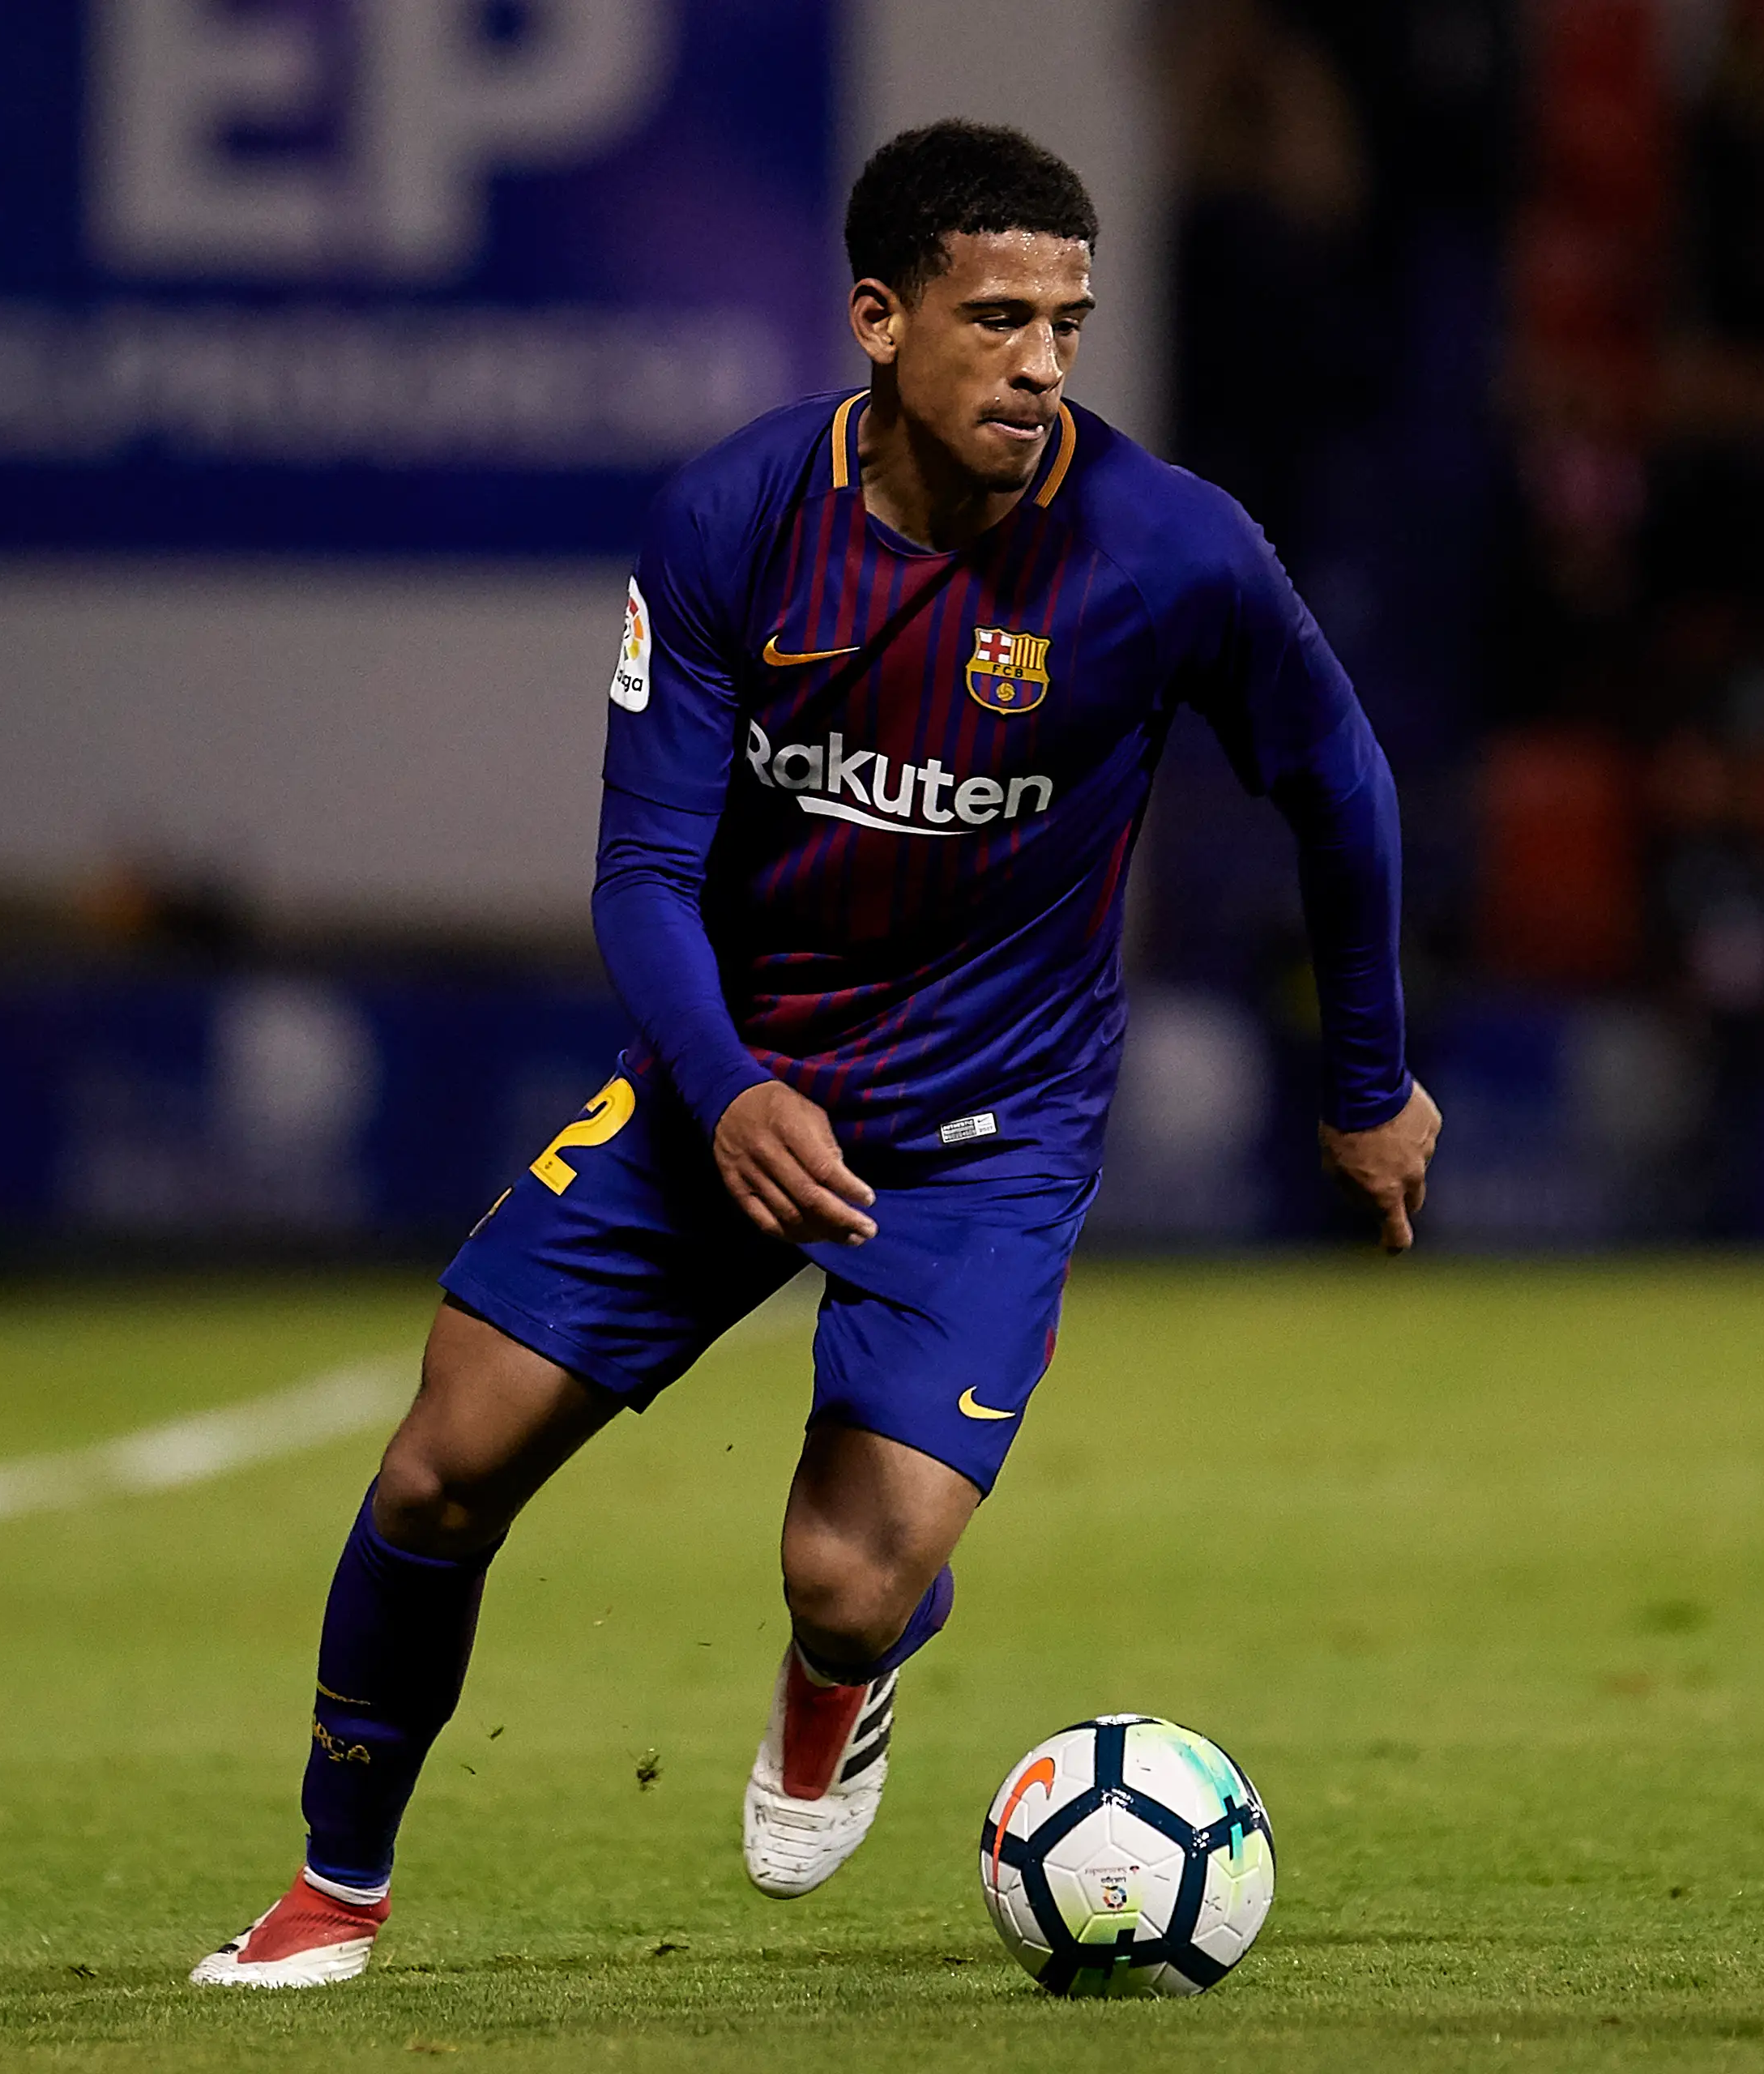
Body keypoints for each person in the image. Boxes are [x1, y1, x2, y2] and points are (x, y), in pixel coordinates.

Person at [190, 122, 1442, 1988]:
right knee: (442, 1465)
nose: (1041, 364)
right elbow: (638, 871)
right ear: (878, 317)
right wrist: (728, 1084)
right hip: (729, 1081)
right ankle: (334, 1884)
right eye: (997, 317)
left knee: (848, 1572)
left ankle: (839, 1674)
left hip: (989, 1126)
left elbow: (1339, 780)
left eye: (1069, 326)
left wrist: (1365, 1073)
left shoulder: (1172, 551)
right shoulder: (732, 520)